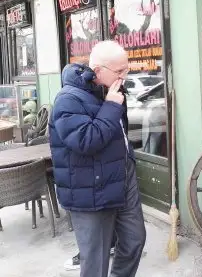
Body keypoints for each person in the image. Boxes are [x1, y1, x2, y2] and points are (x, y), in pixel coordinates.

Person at [49, 41, 146, 277]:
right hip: (89, 188)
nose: (125, 76)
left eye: (127, 69)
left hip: (123, 179)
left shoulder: (108, 89)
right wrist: (111, 107)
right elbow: (85, 141)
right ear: (99, 70)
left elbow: (118, 132)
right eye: (120, 71)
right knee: (96, 259)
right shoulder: (67, 100)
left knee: (134, 240)